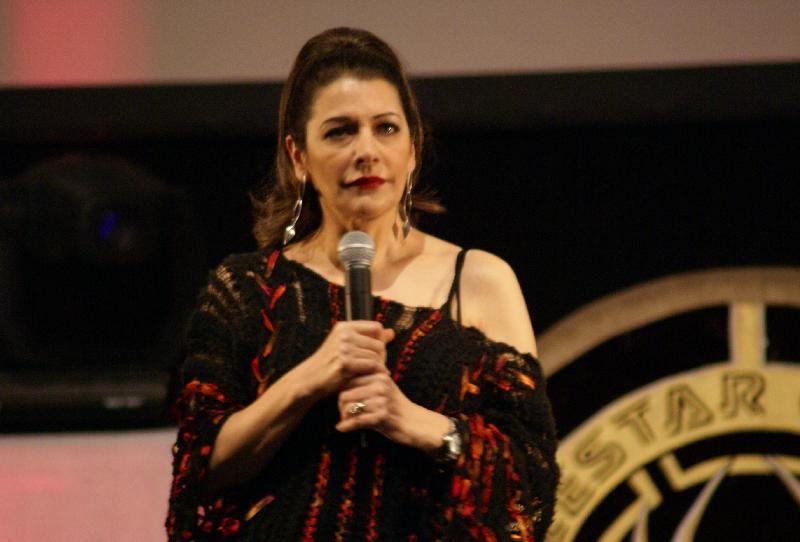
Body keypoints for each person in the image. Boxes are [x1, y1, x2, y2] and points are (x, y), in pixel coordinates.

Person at [167, 27, 559, 541]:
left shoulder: (480, 280)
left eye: (386, 128)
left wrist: (418, 424)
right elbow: (199, 467)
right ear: (298, 157)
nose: (367, 151)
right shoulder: (247, 288)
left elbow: (531, 481)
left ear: (413, 148)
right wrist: (309, 379)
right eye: (340, 132)